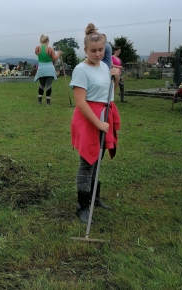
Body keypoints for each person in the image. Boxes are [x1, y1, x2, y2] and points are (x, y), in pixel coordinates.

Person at [69, 23, 121, 223]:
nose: (98, 54)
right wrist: (98, 125)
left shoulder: (105, 66)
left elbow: (109, 90)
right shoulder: (81, 70)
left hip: (104, 115)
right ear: (85, 50)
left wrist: (115, 77)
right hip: (89, 118)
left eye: (101, 50)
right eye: (93, 51)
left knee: (97, 159)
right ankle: (81, 205)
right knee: (87, 161)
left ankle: (94, 198)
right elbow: (81, 102)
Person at [34, 34, 62, 105]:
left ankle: (39, 101)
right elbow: (55, 58)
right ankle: (48, 103)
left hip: (41, 69)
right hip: (49, 69)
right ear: (47, 41)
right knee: (49, 85)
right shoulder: (50, 49)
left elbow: (37, 54)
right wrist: (58, 54)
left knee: (41, 85)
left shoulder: (37, 48)